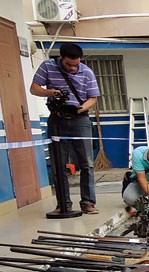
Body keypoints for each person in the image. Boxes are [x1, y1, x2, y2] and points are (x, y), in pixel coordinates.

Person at [30, 42, 100, 215]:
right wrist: (52, 92)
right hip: (57, 120)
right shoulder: (48, 66)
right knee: (58, 164)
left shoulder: (87, 72)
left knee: (87, 164)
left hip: (80, 119)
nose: (73, 68)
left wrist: (79, 109)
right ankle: (63, 203)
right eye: (69, 64)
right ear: (61, 58)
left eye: (76, 64)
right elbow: (34, 89)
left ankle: (88, 202)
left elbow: (93, 98)